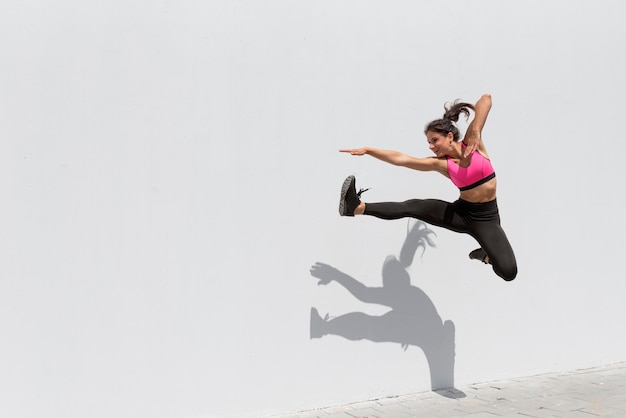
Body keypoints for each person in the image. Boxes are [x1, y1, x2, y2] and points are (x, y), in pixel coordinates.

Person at [338, 94, 517, 281]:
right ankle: (356, 208)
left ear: (449, 137)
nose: (431, 147)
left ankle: (484, 254)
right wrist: (369, 150)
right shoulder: (441, 164)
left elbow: (486, 99)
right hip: (461, 213)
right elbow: (403, 160)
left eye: (434, 140)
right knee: (413, 206)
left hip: (486, 219)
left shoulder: (473, 143)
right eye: (429, 143)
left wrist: (477, 129)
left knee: (508, 272)